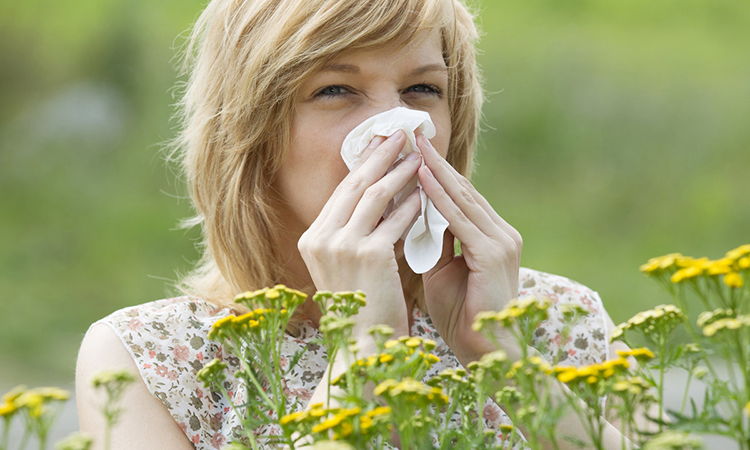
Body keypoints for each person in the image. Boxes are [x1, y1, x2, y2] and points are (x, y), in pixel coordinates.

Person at [75, 0, 634, 448]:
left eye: (422, 90)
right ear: (252, 135)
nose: (399, 131)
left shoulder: (559, 321)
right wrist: (362, 352)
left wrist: (509, 364)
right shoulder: (148, 359)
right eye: (336, 90)